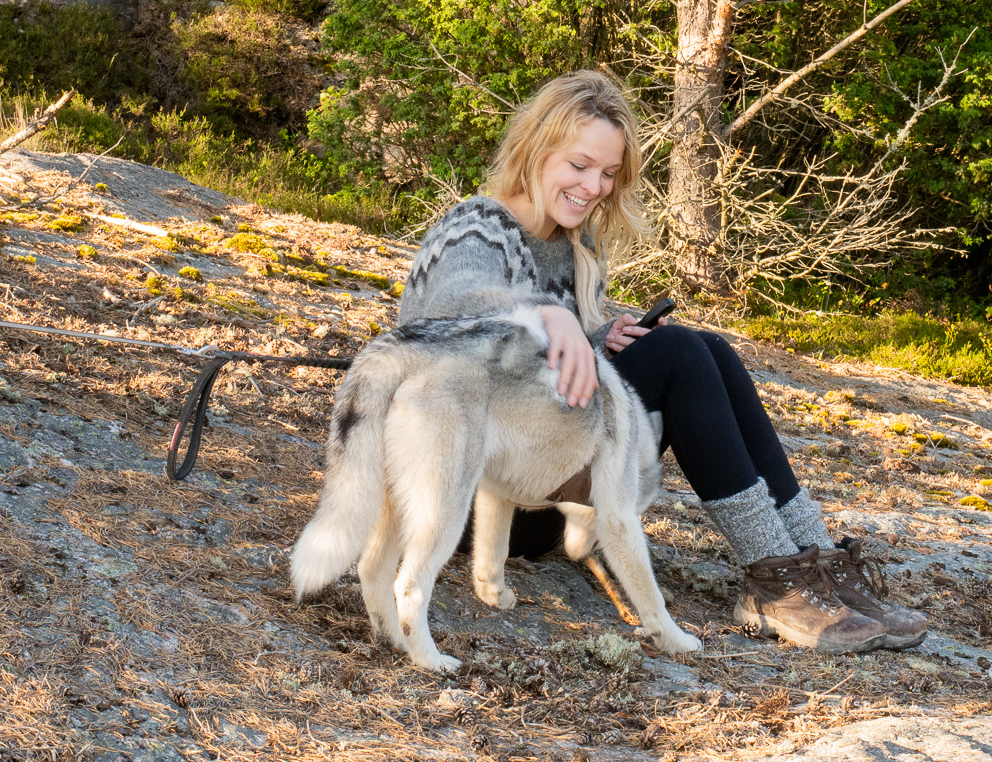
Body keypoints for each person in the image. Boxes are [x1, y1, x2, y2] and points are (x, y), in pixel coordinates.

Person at [397, 70, 928, 652]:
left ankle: (818, 562)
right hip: (464, 503)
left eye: (607, 173)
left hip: (539, 480)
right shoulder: (477, 226)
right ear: (535, 148)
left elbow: (536, 379)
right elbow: (445, 318)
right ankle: (774, 579)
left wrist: (597, 341)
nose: (594, 186)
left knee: (708, 349)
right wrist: (548, 318)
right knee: (678, 356)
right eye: (579, 165)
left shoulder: (574, 243)